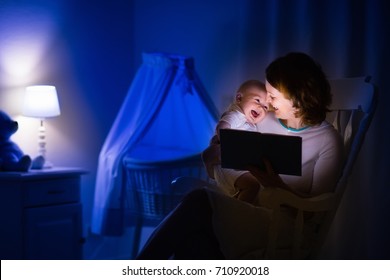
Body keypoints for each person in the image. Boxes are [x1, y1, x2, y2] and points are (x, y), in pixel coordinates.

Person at [136, 52, 344, 260]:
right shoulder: (259, 120)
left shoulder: (327, 140)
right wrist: (213, 156)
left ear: (296, 97)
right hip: (246, 212)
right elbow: (215, 163)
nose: (268, 102)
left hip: (283, 227)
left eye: (273, 95)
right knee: (194, 242)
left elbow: (314, 211)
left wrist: (276, 184)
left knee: (199, 202)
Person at [212, 80, 268, 203]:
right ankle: (238, 213)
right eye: (257, 100)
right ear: (239, 98)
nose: (261, 108)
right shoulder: (236, 114)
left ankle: (233, 207)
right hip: (227, 165)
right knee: (253, 186)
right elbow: (221, 128)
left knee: (254, 188)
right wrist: (230, 147)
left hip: (236, 166)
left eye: (266, 107)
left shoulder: (248, 121)